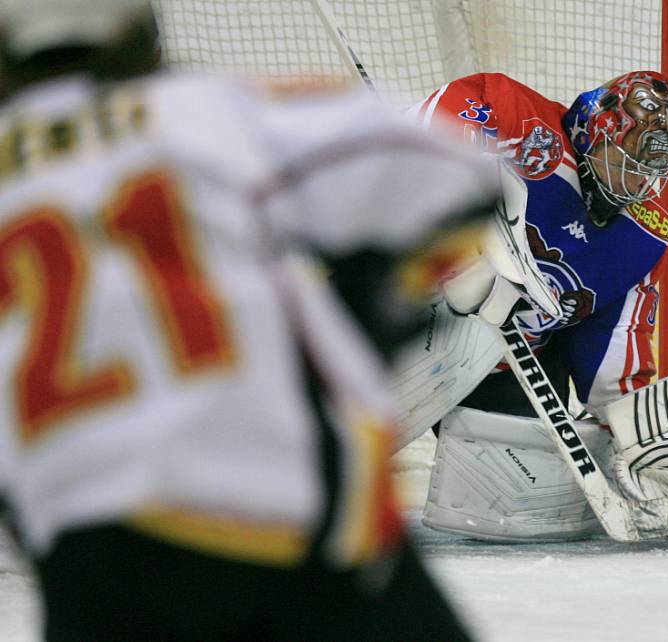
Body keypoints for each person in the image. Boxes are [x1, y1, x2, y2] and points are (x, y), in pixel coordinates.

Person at [0, 2, 503, 640]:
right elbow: (458, 173)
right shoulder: (202, 109)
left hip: (83, 554)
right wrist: (357, 321)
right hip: (280, 506)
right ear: (139, 37)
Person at [400, 72, 668, 543]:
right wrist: (455, 246)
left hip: (509, 364)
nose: (634, 182)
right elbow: (422, 141)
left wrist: (643, 436)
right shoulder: (516, 117)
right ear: (594, 130)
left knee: (525, 498)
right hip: (410, 317)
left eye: (646, 170)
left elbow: (611, 353)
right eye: (622, 161)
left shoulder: (644, 235)